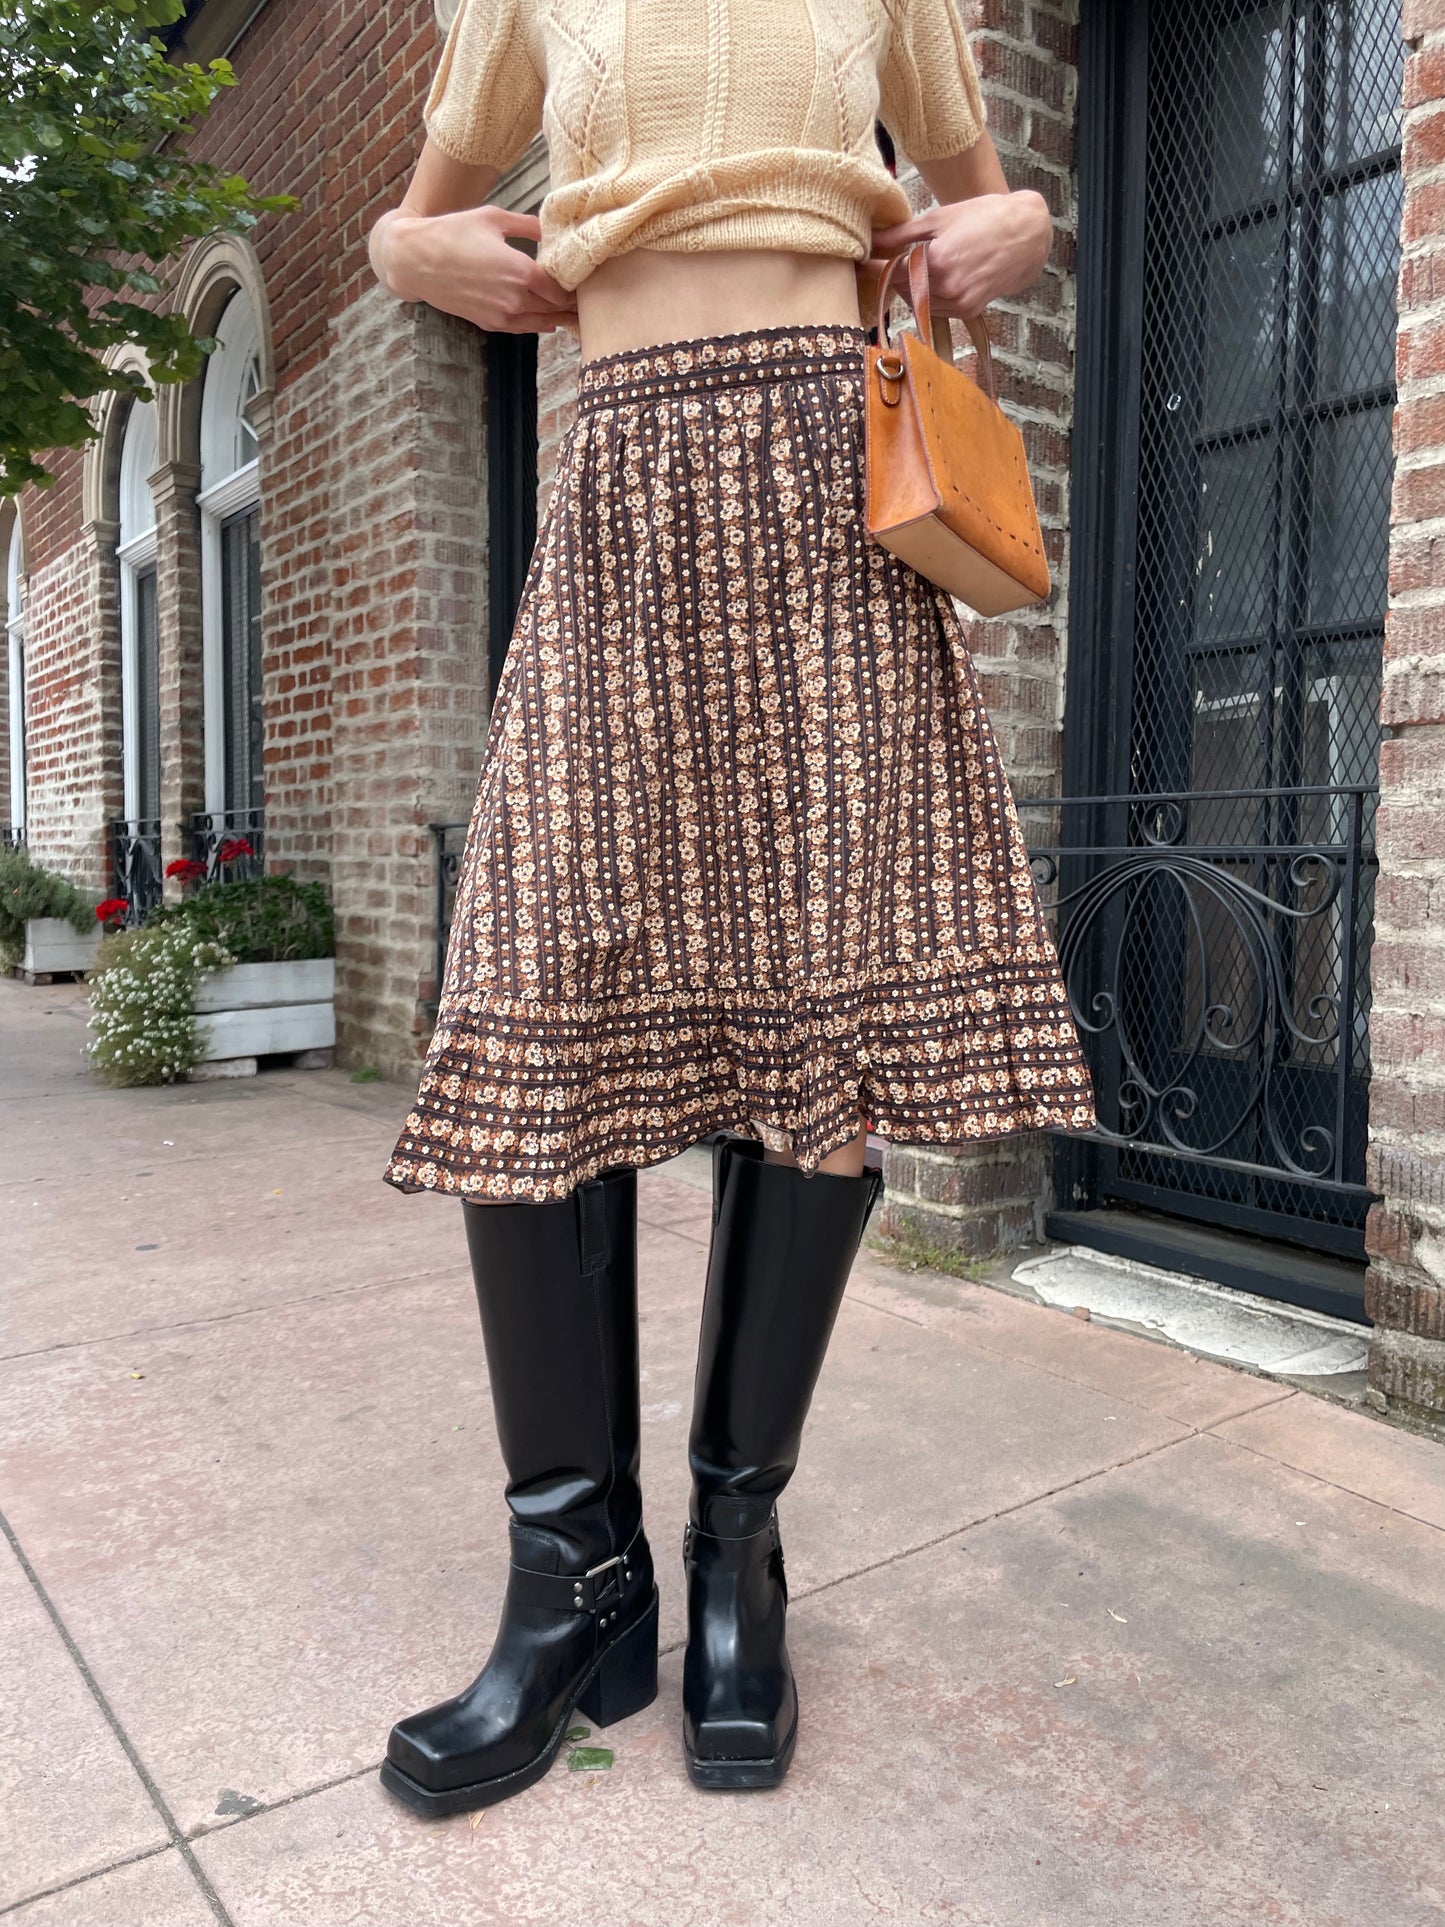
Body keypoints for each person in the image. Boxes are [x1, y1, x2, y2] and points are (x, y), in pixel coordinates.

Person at [366, 0, 1096, 1815]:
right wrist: (405, 245)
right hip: (614, 478)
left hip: (828, 489)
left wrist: (1025, 223)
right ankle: (568, 1575)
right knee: (530, 987)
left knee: (822, 998)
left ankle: (731, 1555)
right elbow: (418, 210)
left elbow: (977, 204)